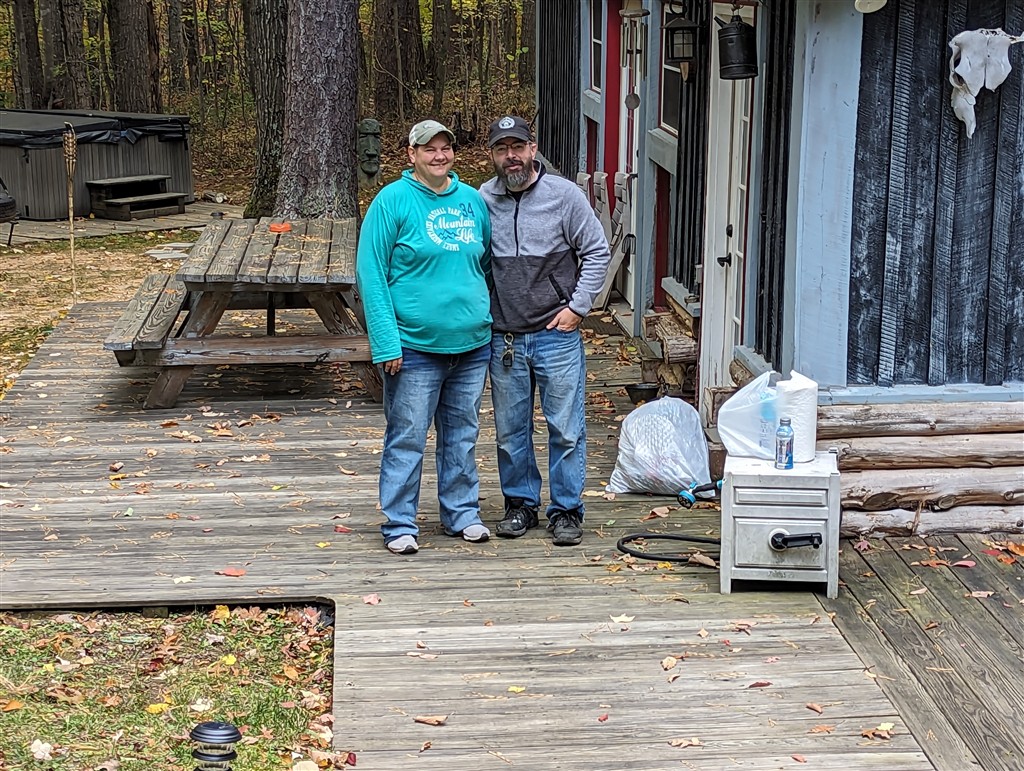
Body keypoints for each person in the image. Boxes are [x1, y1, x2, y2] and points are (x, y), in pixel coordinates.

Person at [356, 120, 493, 555]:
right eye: (429, 149)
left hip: (471, 345)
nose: (439, 156)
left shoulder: (472, 200)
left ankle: (462, 513)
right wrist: (386, 342)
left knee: (462, 435)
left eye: (445, 148)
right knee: (407, 436)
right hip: (414, 347)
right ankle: (400, 522)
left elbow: (484, 264)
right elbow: (371, 274)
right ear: (411, 154)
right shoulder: (392, 201)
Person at [479, 116, 611, 546]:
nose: (511, 156)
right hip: (505, 337)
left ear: (532, 149)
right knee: (510, 431)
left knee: (566, 429)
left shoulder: (564, 196)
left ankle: (566, 510)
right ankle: (520, 505)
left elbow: (597, 251)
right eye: (502, 149)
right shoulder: (482, 200)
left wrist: (578, 307)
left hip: (557, 334)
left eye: (518, 147)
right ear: (493, 155)